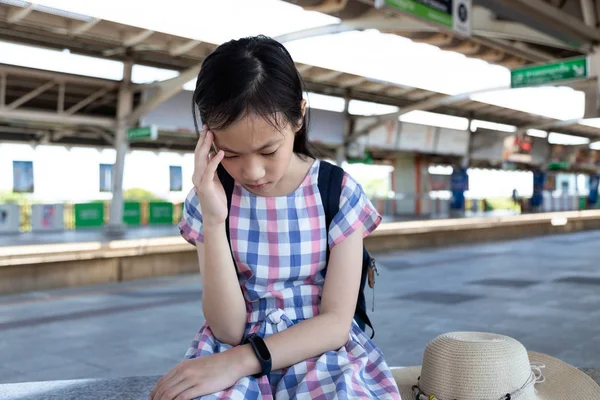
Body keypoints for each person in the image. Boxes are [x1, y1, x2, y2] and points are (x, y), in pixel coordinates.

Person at [149, 35, 401, 399]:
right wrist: (214, 218)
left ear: (299, 115)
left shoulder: (338, 192)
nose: (252, 172)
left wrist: (239, 362)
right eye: (231, 154)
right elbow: (228, 329)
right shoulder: (209, 198)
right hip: (231, 347)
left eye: (268, 150)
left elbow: (335, 325)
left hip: (319, 351)